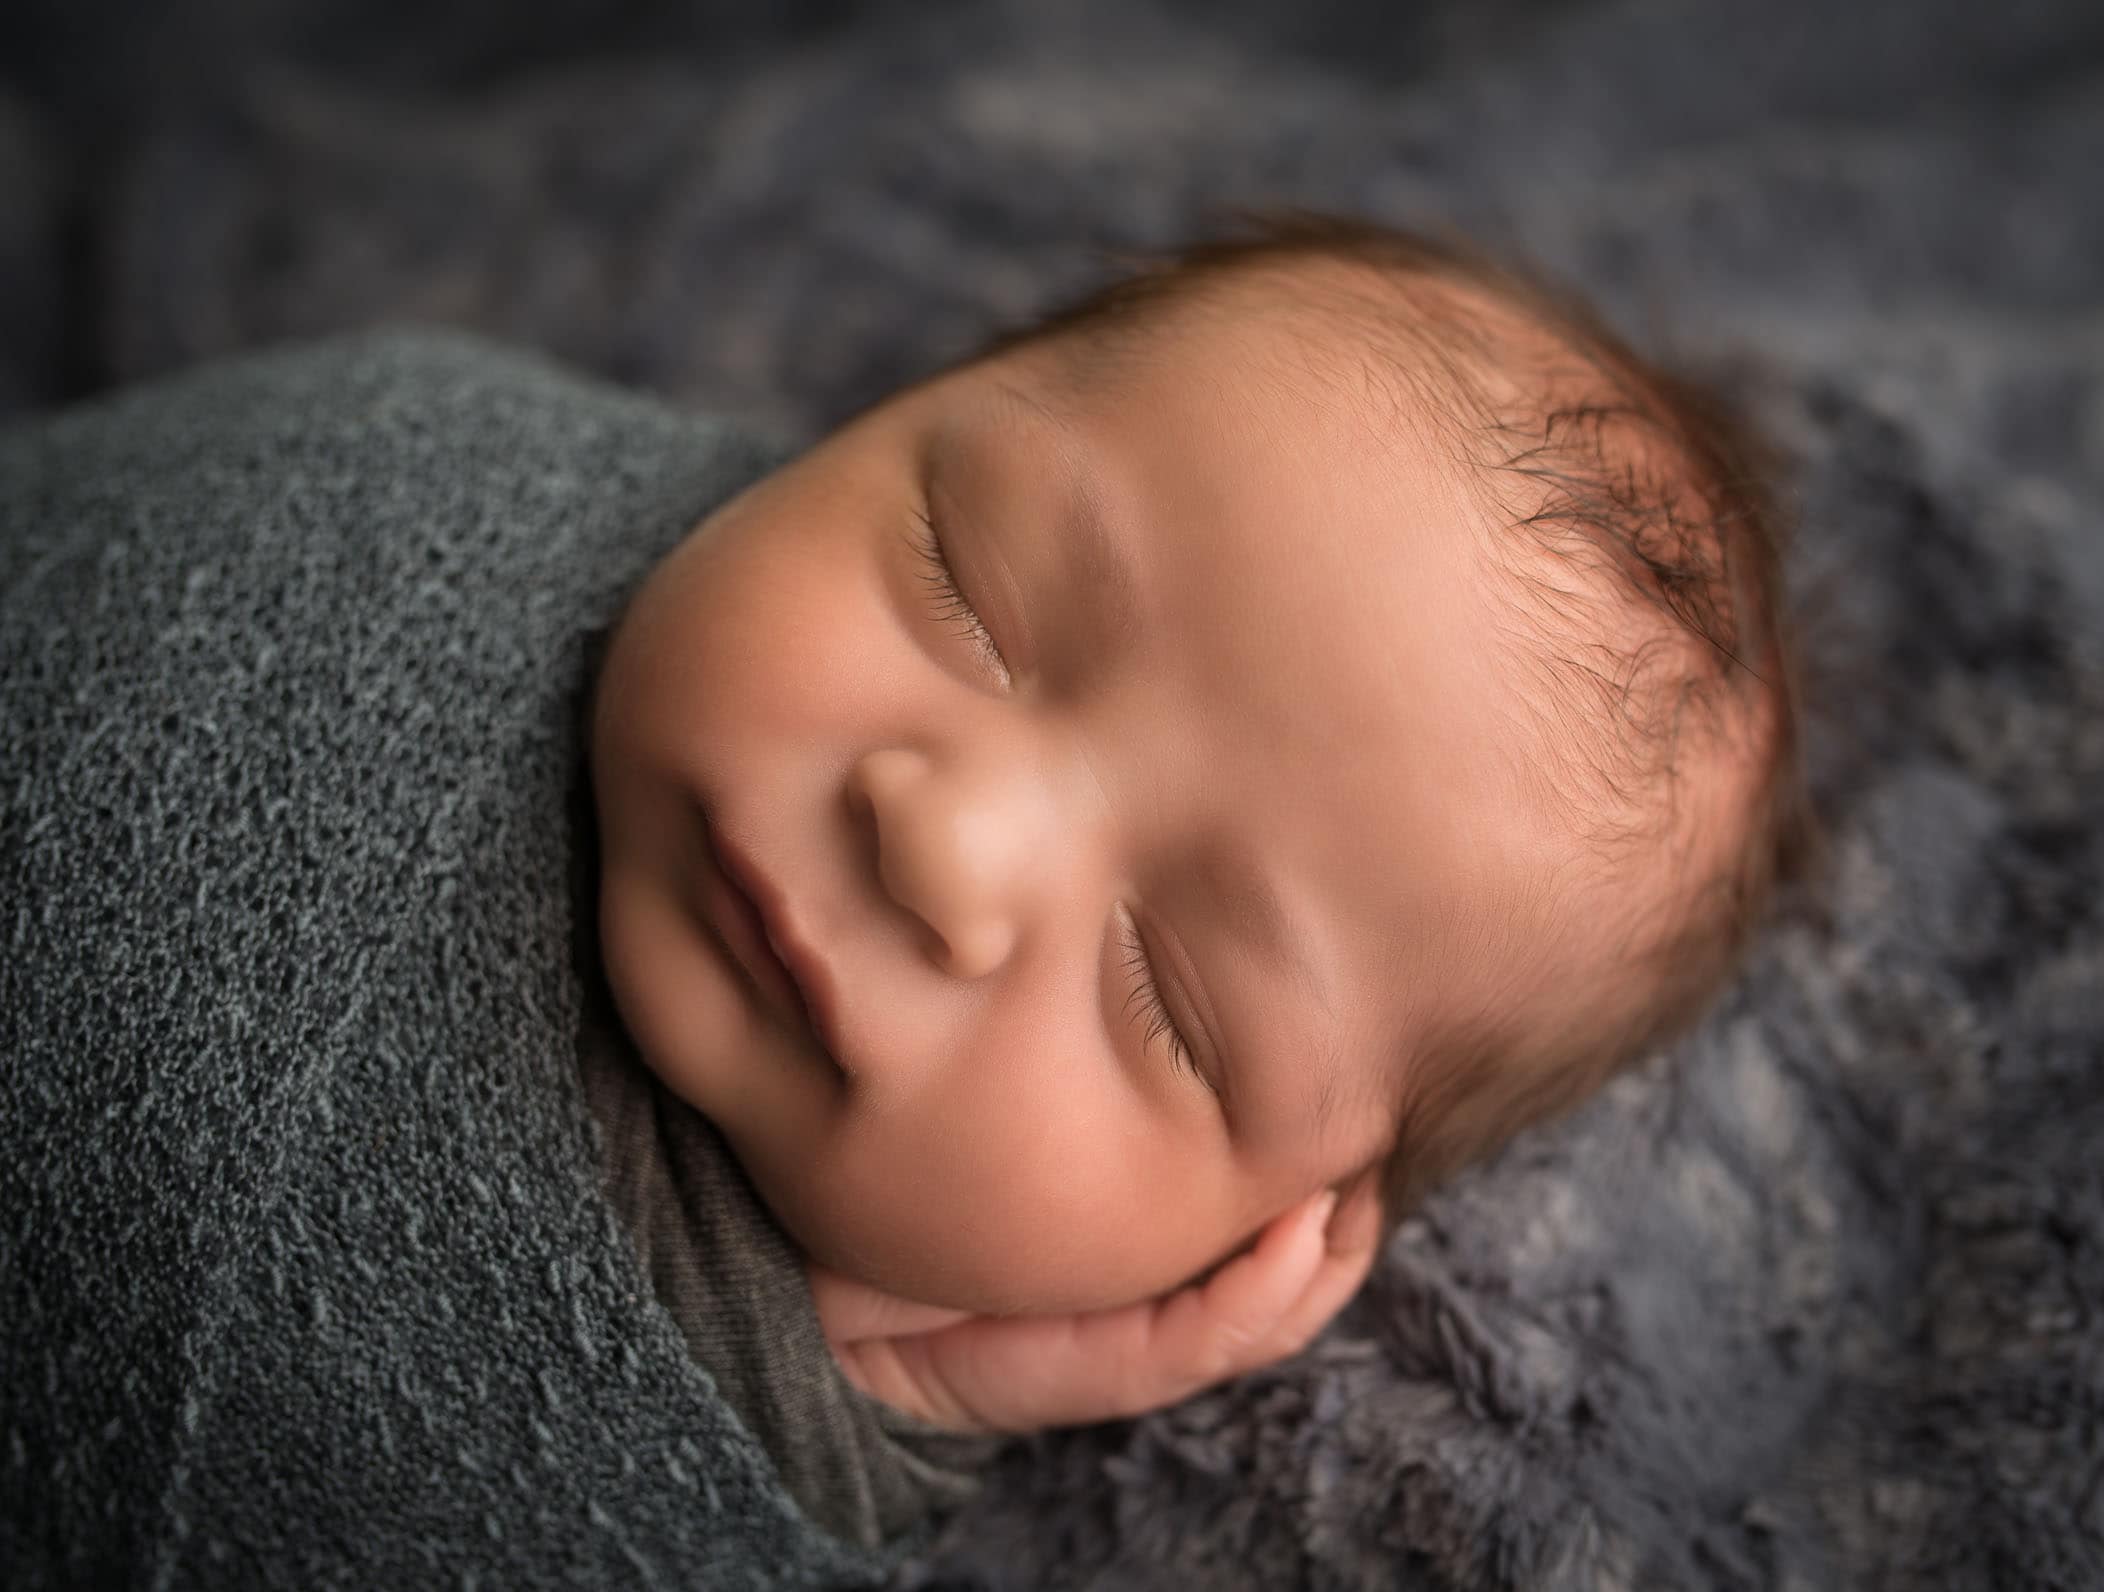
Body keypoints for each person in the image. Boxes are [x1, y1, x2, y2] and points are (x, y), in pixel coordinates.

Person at [585, 207, 1810, 1442]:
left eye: (1162, 996)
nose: (947, 846)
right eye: (968, 597)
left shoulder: (710, 1381)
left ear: (1267, 1235)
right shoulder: (497, 477)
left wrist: (860, 1408)